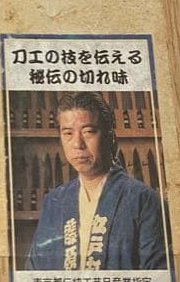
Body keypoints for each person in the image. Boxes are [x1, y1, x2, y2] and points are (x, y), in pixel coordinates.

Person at [25, 91, 168, 271]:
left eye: (88, 132)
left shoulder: (144, 200)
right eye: (68, 133)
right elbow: (34, 273)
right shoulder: (53, 202)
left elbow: (157, 278)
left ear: (110, 136)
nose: (77, 144)